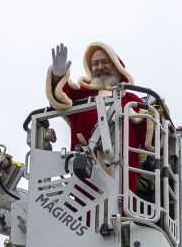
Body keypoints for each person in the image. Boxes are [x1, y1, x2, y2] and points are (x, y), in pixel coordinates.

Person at [44, 42, 156, 196]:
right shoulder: (81, 94)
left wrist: (157, 118)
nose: (99, 67)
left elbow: (149, 139)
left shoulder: (131, 99)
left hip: (123, 175)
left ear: (117, 66)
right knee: (86, 212)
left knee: (119, 208)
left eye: (105, 62)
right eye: (95, 64)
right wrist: (58, 76)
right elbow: (59, 99)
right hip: (86, 171)